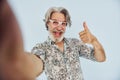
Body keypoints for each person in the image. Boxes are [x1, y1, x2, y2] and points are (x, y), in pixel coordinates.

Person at [0, 0, 106, 80]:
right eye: (55, 22)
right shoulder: (41, 49)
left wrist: (94, 41)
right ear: (47, 23)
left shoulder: (75, 44)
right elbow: (34, 63)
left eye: (63, 23)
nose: (60, 27)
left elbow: (101, 58)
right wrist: (16, 63)